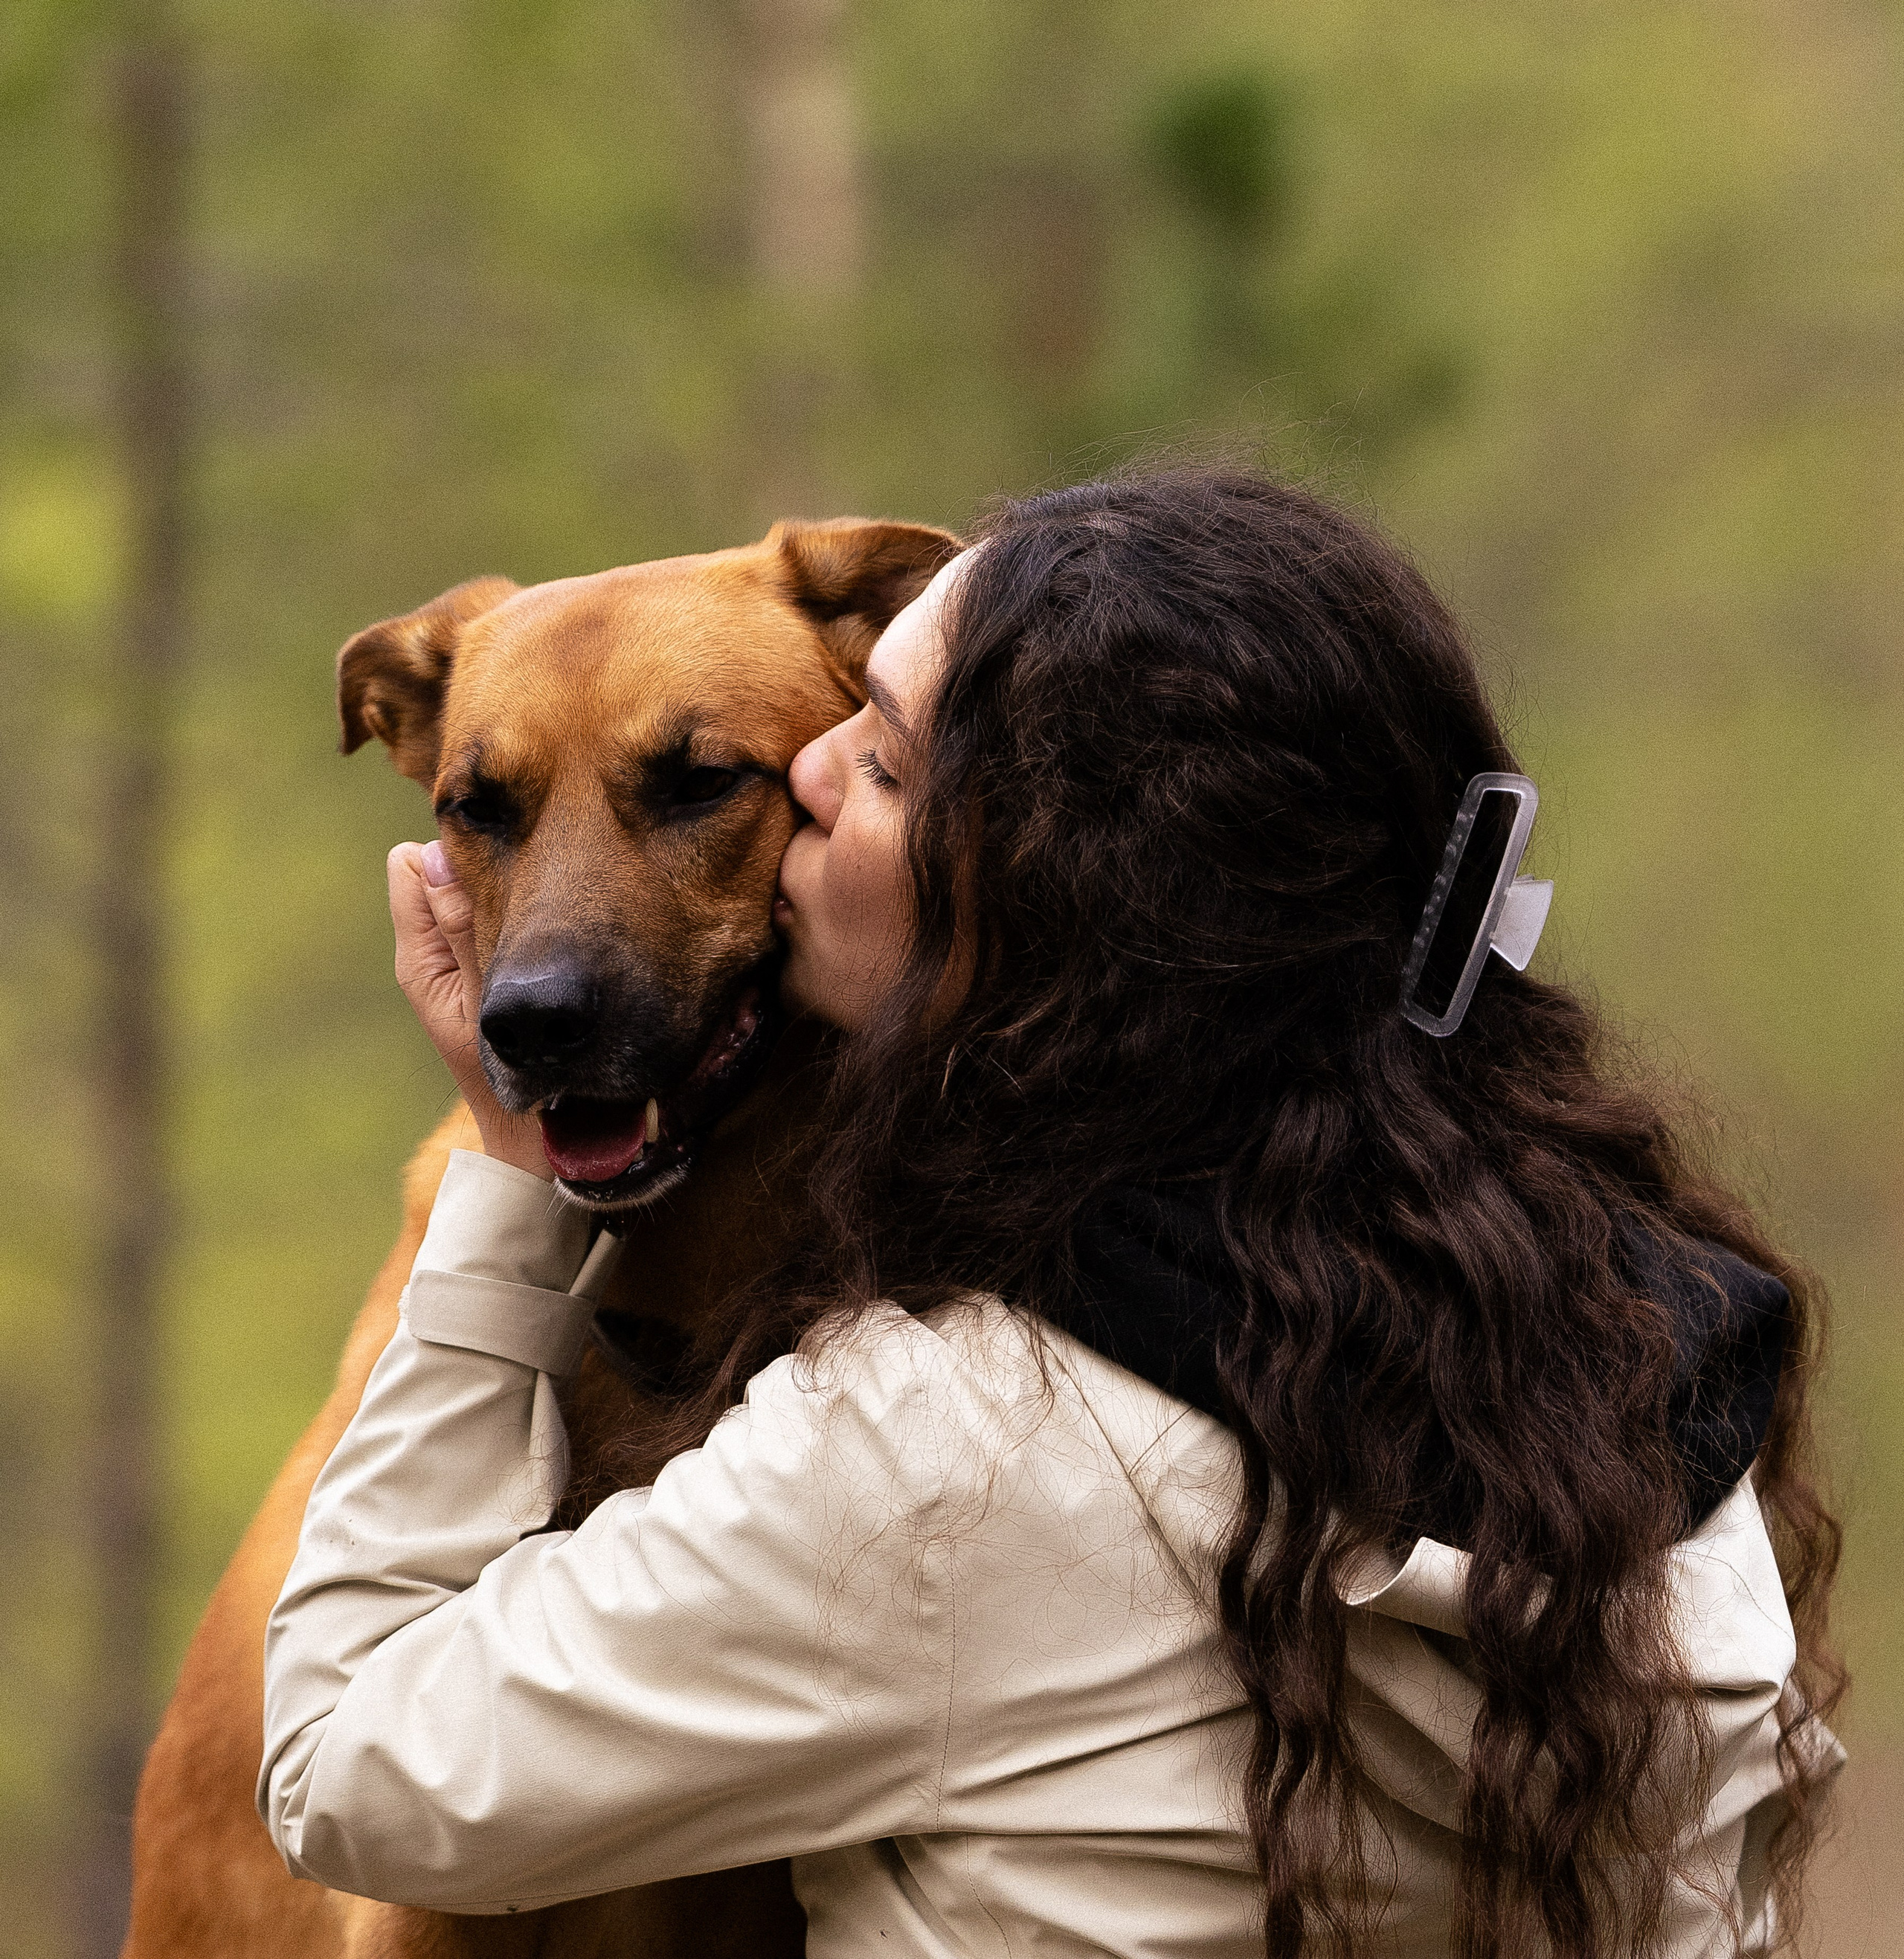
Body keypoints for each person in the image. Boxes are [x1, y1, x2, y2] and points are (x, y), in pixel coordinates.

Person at [260, 471, 1842, 1958]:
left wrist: (500, 1186)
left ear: (1040, 893)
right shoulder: (1644, 1374)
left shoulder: (948, 1448)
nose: (811, 777)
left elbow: (348, 1767)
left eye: (875, 760)